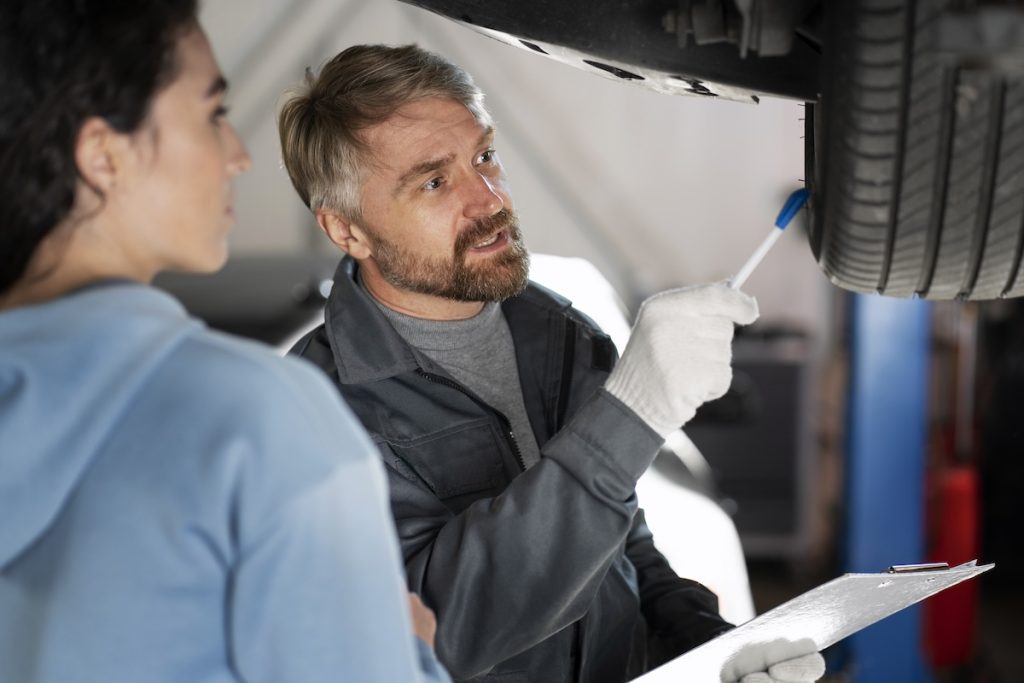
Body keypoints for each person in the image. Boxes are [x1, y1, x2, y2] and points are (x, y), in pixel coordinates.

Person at [278, 44, 825, 683]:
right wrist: (629, 418)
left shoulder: (564, 334)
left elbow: (626, 555)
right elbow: (441, 630)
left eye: (484, 156)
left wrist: (715, 650)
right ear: (347, 231)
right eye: (434, 182)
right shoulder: (315, 412)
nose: (488, 199)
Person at [0, 5, 450, 683]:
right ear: (103, 155)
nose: (238, 155)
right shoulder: (261, 422)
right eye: (213, 113)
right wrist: (409, 650)